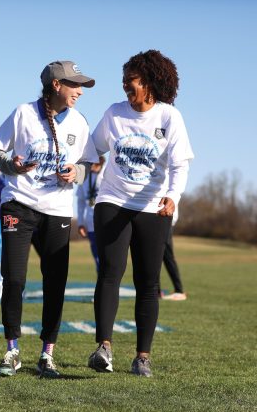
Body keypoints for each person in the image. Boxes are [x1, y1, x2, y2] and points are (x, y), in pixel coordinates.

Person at [87, 50, 194, 377]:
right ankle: (103, 347)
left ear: (150, 84)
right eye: (124, 85)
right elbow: (93, 149)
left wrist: (173, 197)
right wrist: (87, 162)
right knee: (110, 272)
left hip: (152, 208)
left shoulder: (168, 117)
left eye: (131, 85)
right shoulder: (114, 114)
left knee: (148, 283)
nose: (126, 92)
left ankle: (142, 357)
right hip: (113, 201)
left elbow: (179, 165)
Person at [0, 60, 97, 378]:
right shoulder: (23, 113)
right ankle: (12, 351)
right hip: (18, 205)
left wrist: (75, 172)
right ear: (56, 85)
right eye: (75, 84)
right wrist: (13, 165)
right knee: (15, 279)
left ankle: (47, 354)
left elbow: (89, 163)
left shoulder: (79, 122)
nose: (80, 91)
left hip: (58, 212)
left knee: (55, 284)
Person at [76, 156, 105, 274]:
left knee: (108, 256)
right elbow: (80, 202)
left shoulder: (107, 175)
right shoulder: (84, 176)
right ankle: (101, 285)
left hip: (106, 221)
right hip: (91, 222)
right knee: (96, 256)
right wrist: (80, 223)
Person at [161, 206, 187, 301]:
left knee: (168, 258)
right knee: (155, 257)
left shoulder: (171, 192)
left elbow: (172, 208)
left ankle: (179, 290)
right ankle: (157, 291)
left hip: (165, 223)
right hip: (158, 223)